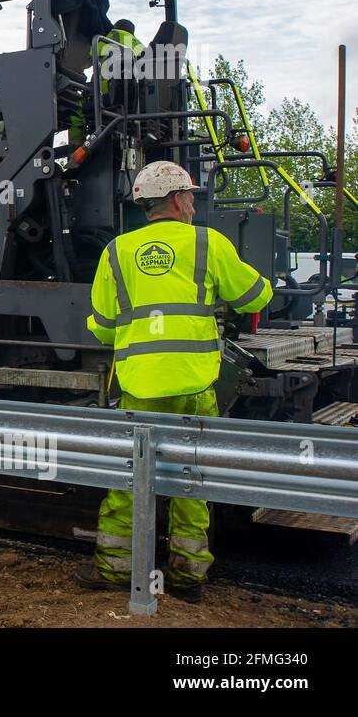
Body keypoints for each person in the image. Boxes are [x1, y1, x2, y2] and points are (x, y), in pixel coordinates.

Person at [75, 160, 273, 601]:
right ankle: (186, 577)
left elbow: (104, 325)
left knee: (129, 476)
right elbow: (255, 295)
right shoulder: (208, 242)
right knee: (191, 477)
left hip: (140, 386)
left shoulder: (117, 251)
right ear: (181, 199)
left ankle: (114, 568)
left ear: (147, 204)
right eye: (191, 197)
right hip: (195, 385)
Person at [68, 19, 146, 146]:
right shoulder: (141, 47)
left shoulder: (110, 37)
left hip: (109, 95)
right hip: (135, 100)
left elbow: (86, 60)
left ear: (115, 27)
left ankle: (75, 151)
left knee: (77, 111)